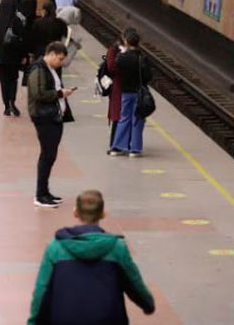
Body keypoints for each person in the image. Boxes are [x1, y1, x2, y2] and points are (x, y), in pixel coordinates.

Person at [27, 189, 156, 325]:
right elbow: (134, 283)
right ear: (103, 213)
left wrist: (33, 322)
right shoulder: (117, 248)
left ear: (75, 212)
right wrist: (147, 304)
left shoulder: (56, 248)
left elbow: (42, 290)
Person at [29, 41, 75, 208]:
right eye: (60, 59)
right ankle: (40, 194)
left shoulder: (50, 69)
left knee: (51, 155)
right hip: (44, 117)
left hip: (54, 116)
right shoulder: (38, 69)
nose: (61, 63)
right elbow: (38, 93)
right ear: (52, 54)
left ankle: (45, 191)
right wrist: (60, 93)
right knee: (47, 155)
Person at [108, 29, 152, 158]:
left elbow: (115, 70)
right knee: (138, 119)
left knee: (124, 118)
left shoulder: (121, 58)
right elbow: (148, 76)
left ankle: (118, 146)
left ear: (126, 41)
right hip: (139, 92)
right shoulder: (142, 58)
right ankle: (135, 149)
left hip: (125, 92)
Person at [0, 0, 27, 117]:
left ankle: (6, 106)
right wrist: (23, 56)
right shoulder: (16, 20)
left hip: (0, 57)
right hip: (14, 56)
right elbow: (22, 39)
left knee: (3, 81)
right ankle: (13, 101)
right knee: (13, 80)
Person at [29, 1, 69, 67]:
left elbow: (33, 38)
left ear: (44, 11)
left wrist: (31, 53)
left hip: (40, 52)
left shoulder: (38, 22)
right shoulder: (60, 23)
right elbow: (66, 36)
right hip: (56, 52)